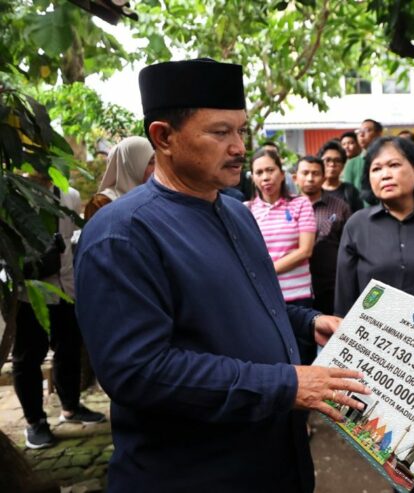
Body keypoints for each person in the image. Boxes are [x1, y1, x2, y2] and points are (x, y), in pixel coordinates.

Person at [74, 59, 368, 492]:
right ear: (163, 137)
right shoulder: (122, 234)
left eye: (241, 130)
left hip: (276, 464)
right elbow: (139, 371)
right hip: (194, 474)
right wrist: (284, 383)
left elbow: (250, 305)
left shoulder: (234, 209)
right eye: (220, 132)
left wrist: (308, 323)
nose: (239, 147)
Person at [14, 177, 106, 450]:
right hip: (30, 291)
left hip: (66, 285)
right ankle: (35, 421)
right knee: (29, 355)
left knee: (68, 347)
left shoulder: (70, 195)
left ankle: (70, 406)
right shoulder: (13, 196)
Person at [334, 136, 414, 316]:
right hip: (373, 334)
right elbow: (345, 294)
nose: (385, 175)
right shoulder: (357, 225)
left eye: (394, 165)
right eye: (376, 168)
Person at [247, 149, 317, 360]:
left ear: (281, 172)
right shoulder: (246, 209)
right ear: (253, 177)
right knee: (275, 359)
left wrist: (267, 271)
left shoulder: (300, 204)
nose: (266, 177)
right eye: (259, 172)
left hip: (298, 297)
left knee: (304, 358)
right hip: (263, 298)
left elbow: (305, 250)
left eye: (270, 170)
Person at [295, 155, 351, 316]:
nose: (310, 178)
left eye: (315, 173)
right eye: (305, 173)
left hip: (331, 285)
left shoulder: (340, 207)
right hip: (297, 287)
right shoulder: (287, 208)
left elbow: (349, 246)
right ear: (295, 177)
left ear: (324, 177)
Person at [84, 136, 155, 219]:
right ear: (130, 165)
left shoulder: (156, 197)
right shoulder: (101, 203)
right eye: (151, 162)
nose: (157, 168)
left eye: (158, 161)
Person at [318, 139, 363, 212]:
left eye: (337, 161)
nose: (332, 164)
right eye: (328, 160)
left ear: (343, 165)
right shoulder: (313, 190)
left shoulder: (351, 191)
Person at [341, 118, 382, 192]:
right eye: (359, 131)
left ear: (378, 134)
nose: (361, 135)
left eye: (367, 130)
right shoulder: (352, 164)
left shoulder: (386, 159)